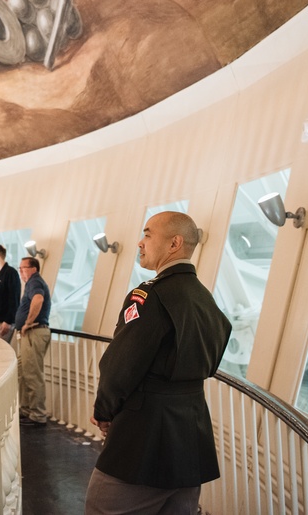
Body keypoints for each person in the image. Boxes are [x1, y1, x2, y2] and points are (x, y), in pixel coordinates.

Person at [85, 212, 232, 515]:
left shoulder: (149, 296)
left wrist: (104, 411)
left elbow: (119, 367)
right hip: (191, 440)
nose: (140, 242)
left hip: (143, 440)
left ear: (174, 243)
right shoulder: (206, 301)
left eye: (148, 234)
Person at [16, 256, 51, 426]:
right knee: (23, 372)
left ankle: (38, 414)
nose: (21, 271)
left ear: (33, 269)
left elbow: (38, 299)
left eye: (23, 268)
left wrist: (28, 323)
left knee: (32, 374)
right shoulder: (31, 283)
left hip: (34, 332)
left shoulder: (34, 282)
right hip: (30, 334)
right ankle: (26, 409)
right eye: (20, 268)